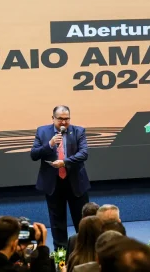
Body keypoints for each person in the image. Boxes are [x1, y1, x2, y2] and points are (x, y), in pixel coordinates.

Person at [30, 105, 90, 250]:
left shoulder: (78, 131)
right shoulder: (42, 131)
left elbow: (84, 154)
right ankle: (61, 253)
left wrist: (64, 162)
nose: (63, 122)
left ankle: (84, 250)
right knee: (57, 221)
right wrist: (49, 144)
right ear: (53, 118)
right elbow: (34, 154)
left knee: (82, 220)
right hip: (53, 183)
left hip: (75, 182)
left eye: (66, 119)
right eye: (60, 119)